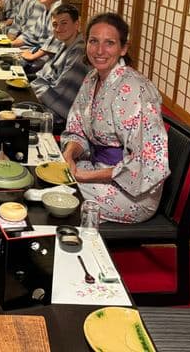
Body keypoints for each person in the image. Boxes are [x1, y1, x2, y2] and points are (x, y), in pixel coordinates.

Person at [61, 13, 170, 224]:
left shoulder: (135, 90)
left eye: (109, 43)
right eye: (93, 41)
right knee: (47, 176)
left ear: (123, 48)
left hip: (132, 191)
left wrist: (82, 176)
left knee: (59, 195)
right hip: (94, 168)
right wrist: (69, 154)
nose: (99, 51)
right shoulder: (92, 78)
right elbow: (77, 128)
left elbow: (147, 163)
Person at [30, 4, 90, 129]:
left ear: (77, 24)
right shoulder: (65, 44)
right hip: (46, 96)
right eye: (55, 24)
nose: (58, 28)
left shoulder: (79, 52)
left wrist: (37, 86)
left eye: (64, 23)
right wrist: (40, 85)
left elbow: (61, 94)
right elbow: (44, 74)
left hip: (60, 117)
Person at [13, 0, 62, 70]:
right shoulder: (47, 11)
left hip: (51, 60)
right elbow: (30, 34)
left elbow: (54, 43)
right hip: (39, 52)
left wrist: (32, 56)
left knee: (14, 65)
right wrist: (10, 44)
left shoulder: (60, 12)